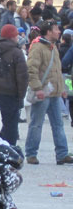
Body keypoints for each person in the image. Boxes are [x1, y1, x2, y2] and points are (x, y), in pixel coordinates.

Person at [23, 21, 73, 165]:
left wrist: (62, 88)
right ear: (49, 32)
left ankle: (62, 154)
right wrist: (37, 88)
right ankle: (31, 153)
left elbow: (57, 71)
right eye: (56, 29)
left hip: (55, 93)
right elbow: (31, 69)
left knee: (58, 124)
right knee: (36, 124)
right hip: (43, 93)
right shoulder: (38, 47)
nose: (59, 32)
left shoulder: (53, 47)